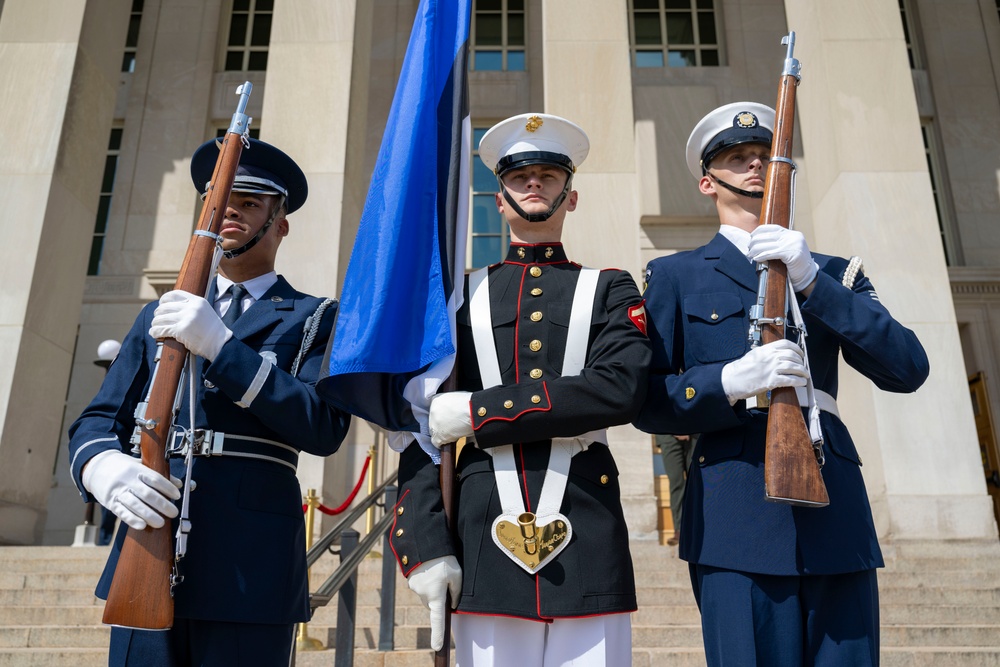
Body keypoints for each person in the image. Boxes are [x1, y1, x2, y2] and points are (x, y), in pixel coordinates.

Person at [633, 102, 930, 666]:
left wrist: (814, 282)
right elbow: (646, 401)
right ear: (707, 181)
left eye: (765, 157)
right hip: (735, 518)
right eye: (736, 158)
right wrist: (726, 381)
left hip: (833, 515)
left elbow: (907, 368)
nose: (754, 167)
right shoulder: (676, 276)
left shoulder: (831, 272)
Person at [67, 138, 352, 666]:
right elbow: (98, 419)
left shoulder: (316, 317)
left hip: (251, 565)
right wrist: (103, 468)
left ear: (280, 223)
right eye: (220, 203)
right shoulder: (162, 314)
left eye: (249, 203)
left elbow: (323, 426)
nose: (230, 214)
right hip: (149, 545)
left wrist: (224, 347)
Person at [388, 113, 651, 666]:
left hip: (586, 521)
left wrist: (479, 411)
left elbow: (619, 388)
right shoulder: (458, 298)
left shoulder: (610, 288)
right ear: (499, 199)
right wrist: (424, 545)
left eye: (550, 176)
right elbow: (421, 428)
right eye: (520, 177)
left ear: (570, 197)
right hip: (482, 529)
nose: (535, 184)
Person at [655, 433, 697, 546]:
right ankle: (680, 530)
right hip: (667, 433)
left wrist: (687, 426)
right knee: (676, 483)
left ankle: (699, 529)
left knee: (697, 483)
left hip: (696, 431)